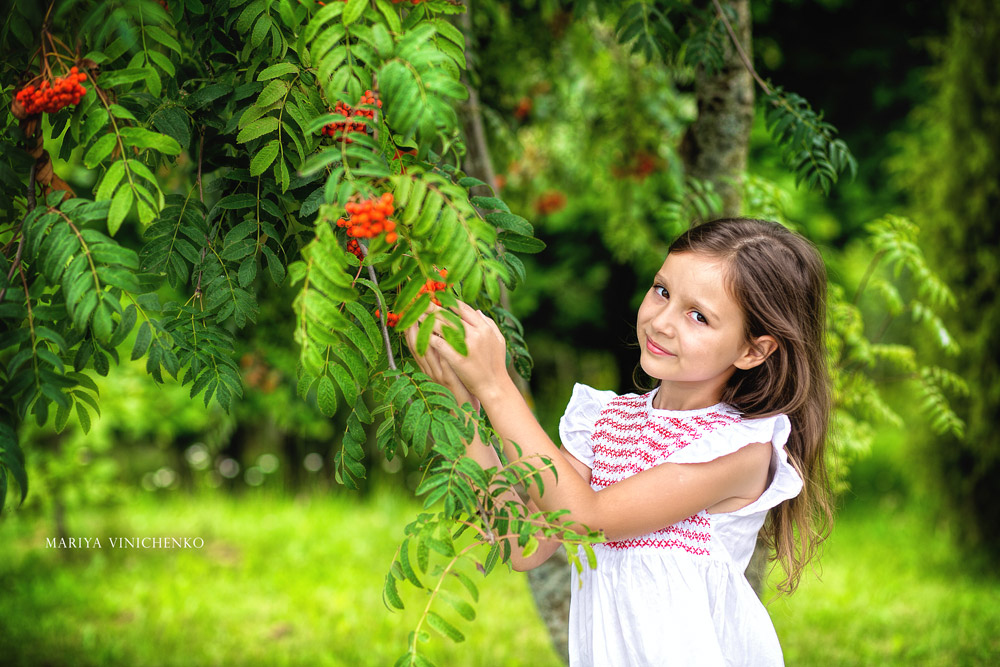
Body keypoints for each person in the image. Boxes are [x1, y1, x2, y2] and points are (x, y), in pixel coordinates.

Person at [403, 218, 833, 666]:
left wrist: (496, 386)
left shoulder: (739, 447)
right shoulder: (607, 422)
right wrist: (462, 404)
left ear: (753, 351)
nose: (662, 322)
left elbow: (585, 518)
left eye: (698, 316)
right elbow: (523, 543)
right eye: (662, 291)